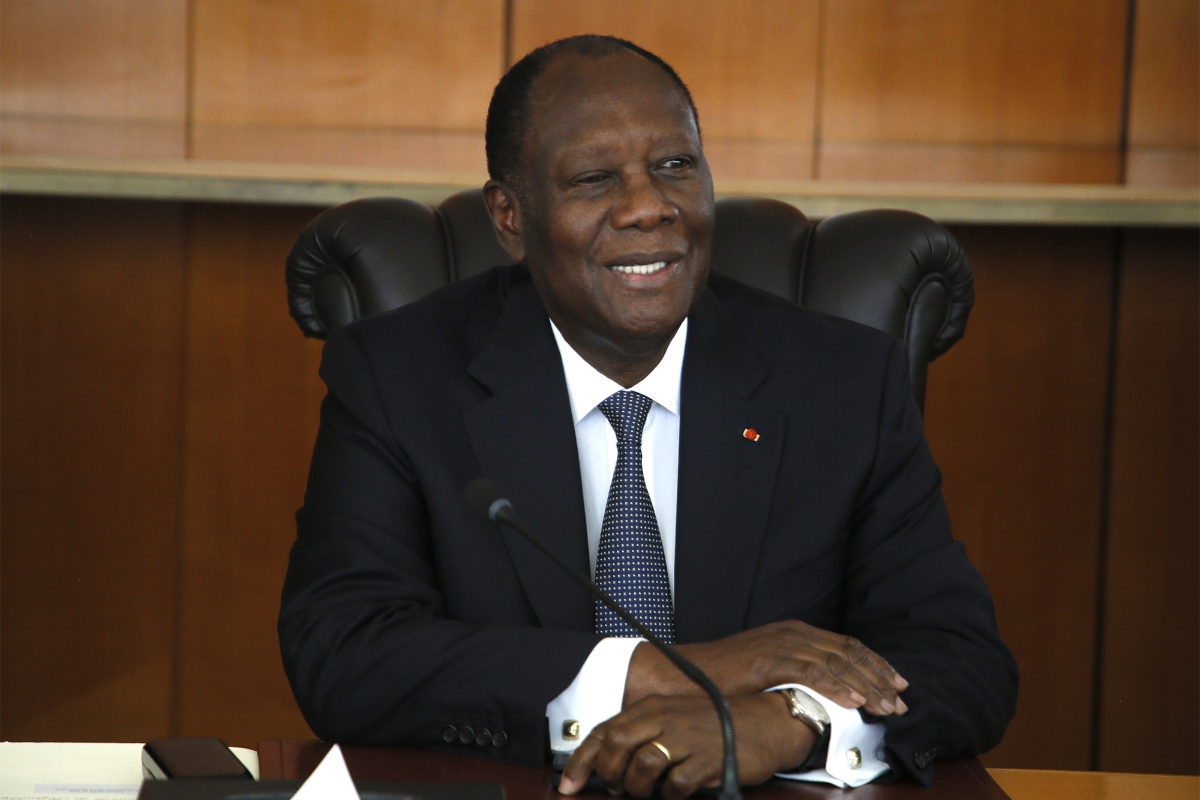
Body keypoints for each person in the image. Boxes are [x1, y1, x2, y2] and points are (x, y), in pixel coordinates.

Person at [279, 35, 1018, 798]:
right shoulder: (400, 375)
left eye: (675, 166)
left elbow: (962, 658)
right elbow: (343, 651)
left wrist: (788, 718)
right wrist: (649, 672)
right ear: (509, 217)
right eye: (595, 179)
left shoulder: (843, 383)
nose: (648, 208)